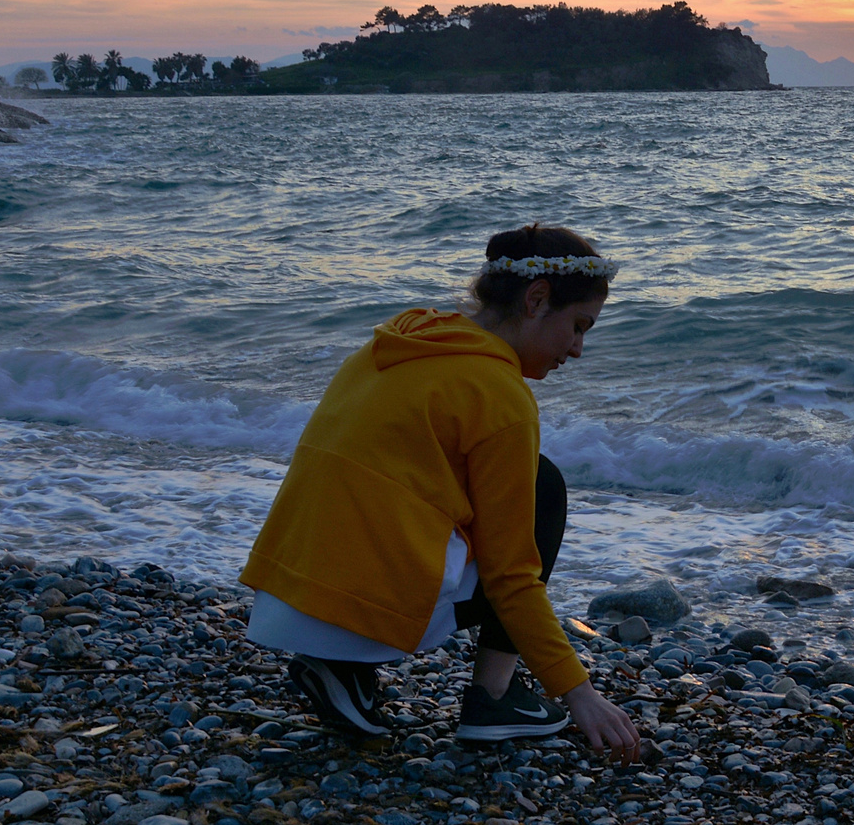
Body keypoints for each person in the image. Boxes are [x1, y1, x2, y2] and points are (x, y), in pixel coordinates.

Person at [239, 224, 640, 761]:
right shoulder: (498, 394)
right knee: (542, 487)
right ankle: (494, 697)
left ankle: (343, 667)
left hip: (285, 593)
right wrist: (579, 692)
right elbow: (511, 574)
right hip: (359, 607)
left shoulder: (400, 341)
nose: (578, 349)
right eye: (578, 326)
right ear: (537, 299)